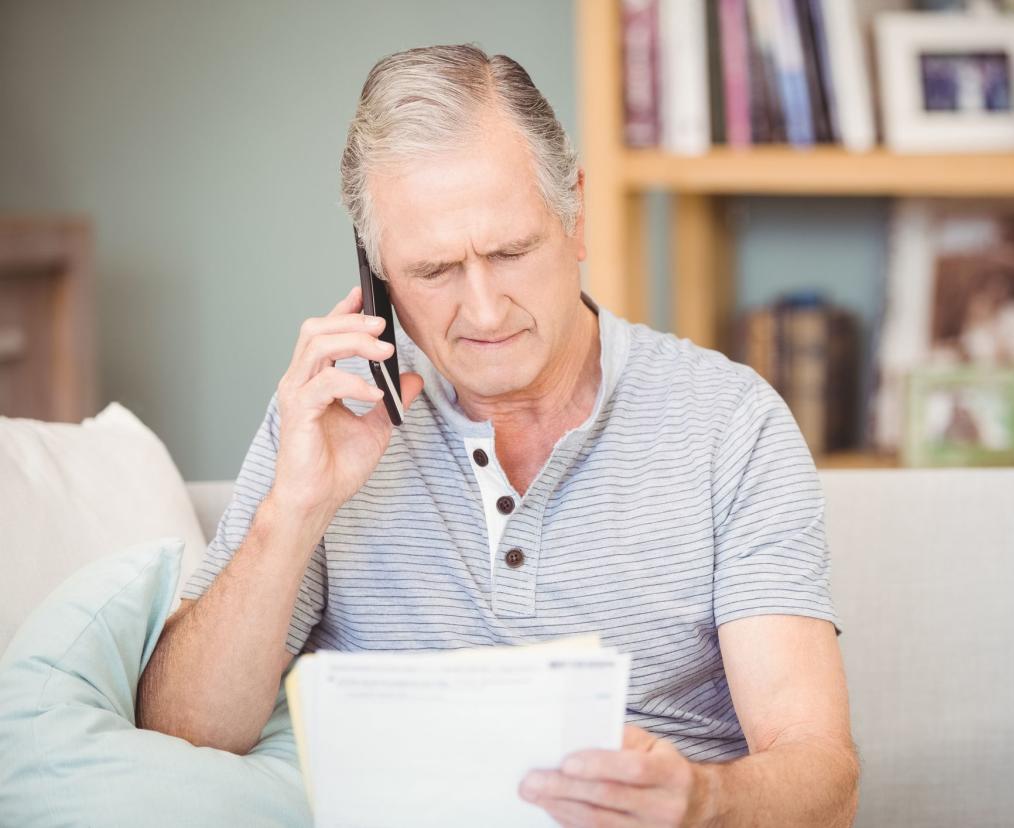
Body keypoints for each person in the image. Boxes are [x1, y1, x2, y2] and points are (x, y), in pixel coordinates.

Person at [136, 44, 858, 826]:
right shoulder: (330, 415)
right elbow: (184, 733)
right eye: (434, 271)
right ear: (377, 271)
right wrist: (294, 508)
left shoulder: (730, 425)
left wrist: (706, 801)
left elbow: (824, 777)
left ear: (575, 216)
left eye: (511, 252)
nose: (483, 313)